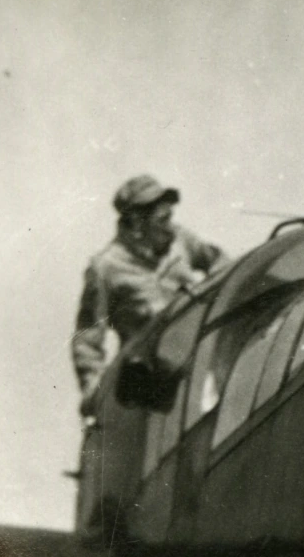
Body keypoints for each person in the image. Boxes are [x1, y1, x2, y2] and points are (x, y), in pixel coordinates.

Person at [71, 174, 228, 410]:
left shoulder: (180, 239)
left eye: (170, 218)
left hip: (203, 360)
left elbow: (220, 264)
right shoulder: (105, 268)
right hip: (159, 391)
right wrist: (96, 396)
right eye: (162, 220)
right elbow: (88, 340)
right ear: (136, 224)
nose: (170, 227)